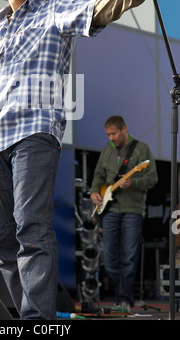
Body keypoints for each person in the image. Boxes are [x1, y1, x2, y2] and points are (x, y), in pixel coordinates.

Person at [0, 0, 161, 320]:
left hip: (35, 134)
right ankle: (29, 314)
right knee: (1, 239)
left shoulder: (54, 10)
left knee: (30, 228)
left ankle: (37, 322)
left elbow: (99, 8)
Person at [90, 115, 158, 312]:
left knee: (129, 257)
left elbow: (153, 177)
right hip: (110, 209)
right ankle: (123, 296)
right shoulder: (106, 149)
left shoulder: (141, 148)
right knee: (109, 258)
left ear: (124, 129)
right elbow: (98, 175)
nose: (110, 137)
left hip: (133, 210)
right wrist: (95, 190)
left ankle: (124, 299)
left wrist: (133, 183)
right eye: (108, 134)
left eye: (113, 133)